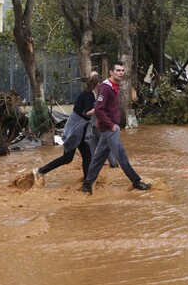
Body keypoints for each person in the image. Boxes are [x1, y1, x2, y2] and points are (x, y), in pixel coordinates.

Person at [81, 61, 151, 194]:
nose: (121, 73)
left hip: (109, 128)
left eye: (122, 71)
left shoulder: (114, 86)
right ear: (111, 72)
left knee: (98, 158)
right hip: (109, 129)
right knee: (121, 155)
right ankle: (136, 181)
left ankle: (87, 184)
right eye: (118, 70)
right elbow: (99, 110)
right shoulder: (106, 88)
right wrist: (111, 125)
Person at [33, 74, 103, 181]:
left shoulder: (88, 93)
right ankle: (41, 171)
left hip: (79, 129)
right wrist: (100, 107)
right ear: (98, 85)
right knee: (68, 158)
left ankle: (87, 182)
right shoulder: (89, 95)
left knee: (86, 156)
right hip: (76, 129)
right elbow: (88, 112)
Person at [89, 71, 118, 169]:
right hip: (94, 125)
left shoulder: (103, 91)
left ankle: (114, 164)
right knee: (91, 148)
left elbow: (103, 109)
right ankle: (91, 167)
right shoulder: (93, 93)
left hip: (101, 125)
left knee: (106, 148)